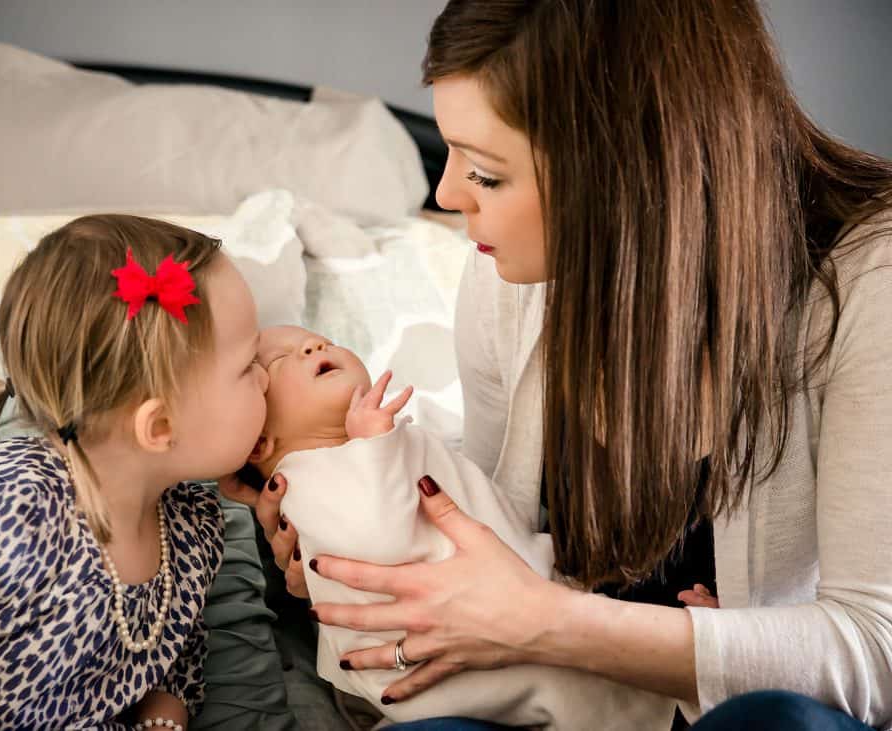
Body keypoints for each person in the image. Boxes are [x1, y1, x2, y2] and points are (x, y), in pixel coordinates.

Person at [227, 1, 892, 728]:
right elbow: (475, 513)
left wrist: (546, 620)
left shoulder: (867, 281)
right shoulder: (506, 279)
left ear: (629, 169)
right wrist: (358, 552)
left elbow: (875, 650)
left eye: (485, 174)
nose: (446, 196)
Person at [0, 215, 270, 730]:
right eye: (248, 365)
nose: (266, 377)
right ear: (160, 425)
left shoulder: (195, 522)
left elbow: (178, 648)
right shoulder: (6, 512)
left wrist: (166, 712)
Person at [242, 324, 674, 728]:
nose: (315, 346)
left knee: (586, 671)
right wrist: (375, 447)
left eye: (324, 339)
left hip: (514, 599)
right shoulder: (303, 478)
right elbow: (377, 539)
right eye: (280, 361)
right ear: (261, 443)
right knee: (574, 687)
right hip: (429, 661)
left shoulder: (366, 446)